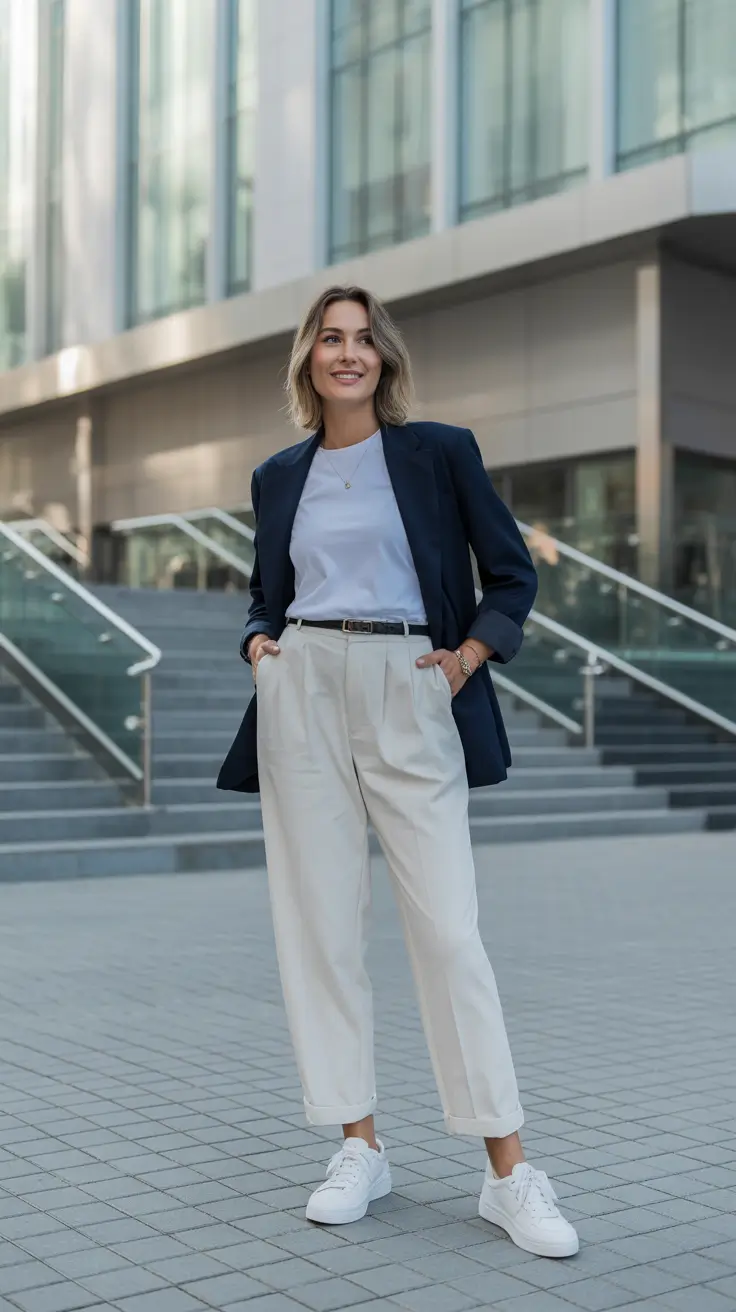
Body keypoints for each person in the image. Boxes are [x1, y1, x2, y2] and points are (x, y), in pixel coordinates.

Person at [218, 285, 579, 1259]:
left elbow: (511, 573)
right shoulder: (278, 474)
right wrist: (260, 641)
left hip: (410, 678)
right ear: (308, 357)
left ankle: (508, 1172)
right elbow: (266, 589)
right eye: (330, 338)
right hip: (304, 688)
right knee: (320, 926)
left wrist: (468, 656)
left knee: (449, 932)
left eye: (362, 338)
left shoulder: (437, 452)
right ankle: (357, 1144)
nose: (347, 352)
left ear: (384, 356)